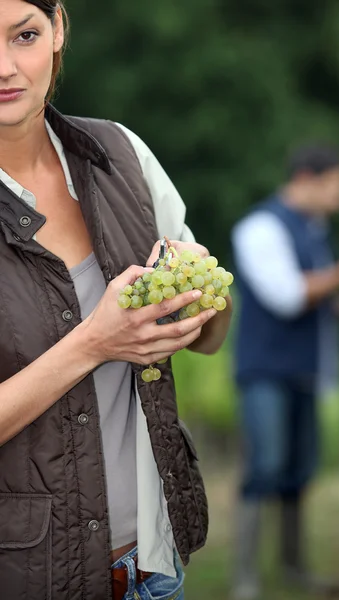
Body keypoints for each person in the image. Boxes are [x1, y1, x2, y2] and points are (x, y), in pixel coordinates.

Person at [0, 2, 233, 599]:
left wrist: (200, 303)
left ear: (58, 30)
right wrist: (94, 343)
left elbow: (210, 338)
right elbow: (100, 342)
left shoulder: (119, 155)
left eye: (24, 35)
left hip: (151, 570)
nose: (5, 66)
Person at [230, 144, 339, 600]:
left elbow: (313, 298)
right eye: (338, 184)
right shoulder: (260, 227)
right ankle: (245, 578)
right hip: (265, 372)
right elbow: (287, 296)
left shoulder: (314, 229)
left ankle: (293, 568)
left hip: (303, 370)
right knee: (266, 466)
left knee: (298, 470)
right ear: (308, 180)